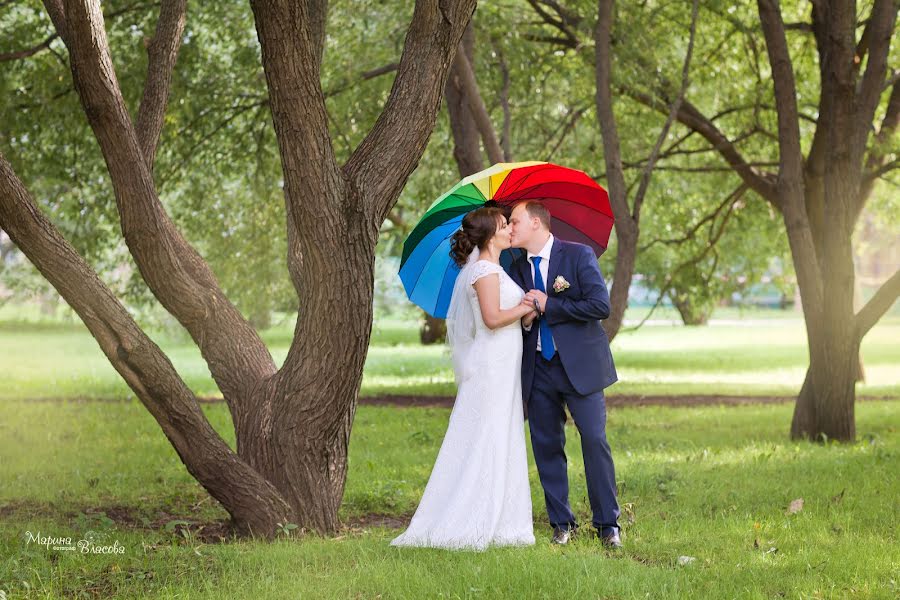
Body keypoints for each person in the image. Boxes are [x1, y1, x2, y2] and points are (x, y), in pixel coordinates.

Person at [390, 206, 538, 550]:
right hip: (492, 365)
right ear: (489, 236)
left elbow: (504, 316)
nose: (509, 231)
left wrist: (524, 314)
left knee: (501, 431)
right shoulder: (485, 270)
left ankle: (505, 517)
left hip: (503, 363)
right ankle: (473, 516)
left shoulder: (494, 269)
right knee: (487, 433)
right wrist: (525, 306)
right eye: (504, 226)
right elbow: (491, 318)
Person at [507, 200, 622, 548]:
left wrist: (549, 304)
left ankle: (608, 526)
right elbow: (515, 314)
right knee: (546, 445)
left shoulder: (577, 255)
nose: (510, 228)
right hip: (538, 367)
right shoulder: (514, 268)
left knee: (594, 440)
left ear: (536, 224)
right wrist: (525, 317)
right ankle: (561, 523)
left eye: (514, 222)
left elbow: (600, 305)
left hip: (580, 368)